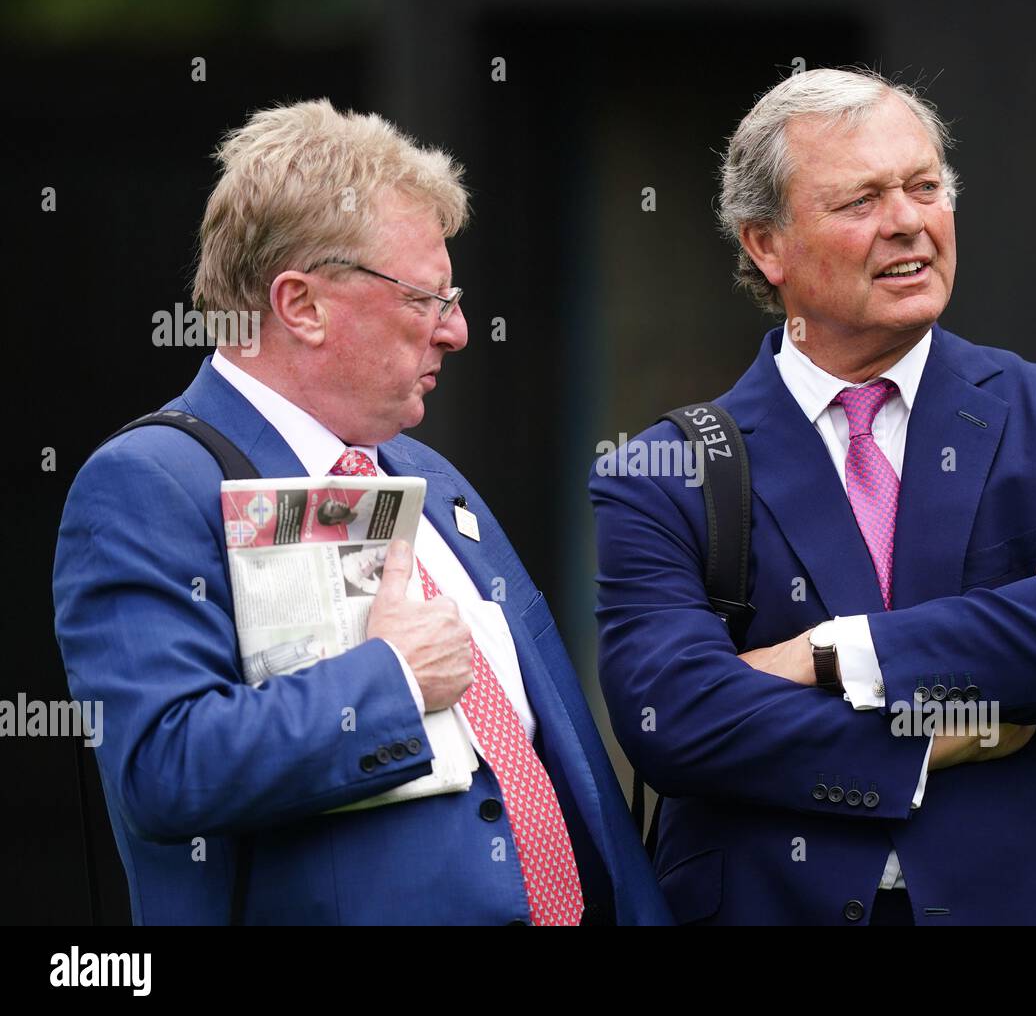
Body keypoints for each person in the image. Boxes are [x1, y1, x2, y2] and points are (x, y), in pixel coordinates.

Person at [54, 99, 670, 926]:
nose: (455, 330)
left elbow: (563, 758)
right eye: (426, 297)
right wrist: (392, 679)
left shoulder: (429, 475)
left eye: (455, 297)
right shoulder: (149, 483)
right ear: (301, 305)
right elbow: (165, 770)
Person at [589, 68, 1036, 925]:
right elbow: (671, 715)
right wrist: (930, 742)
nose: (909, 221)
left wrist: (831, 653)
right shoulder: (663, 467)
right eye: (860, 200)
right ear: (765, 246)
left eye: (926, 187)